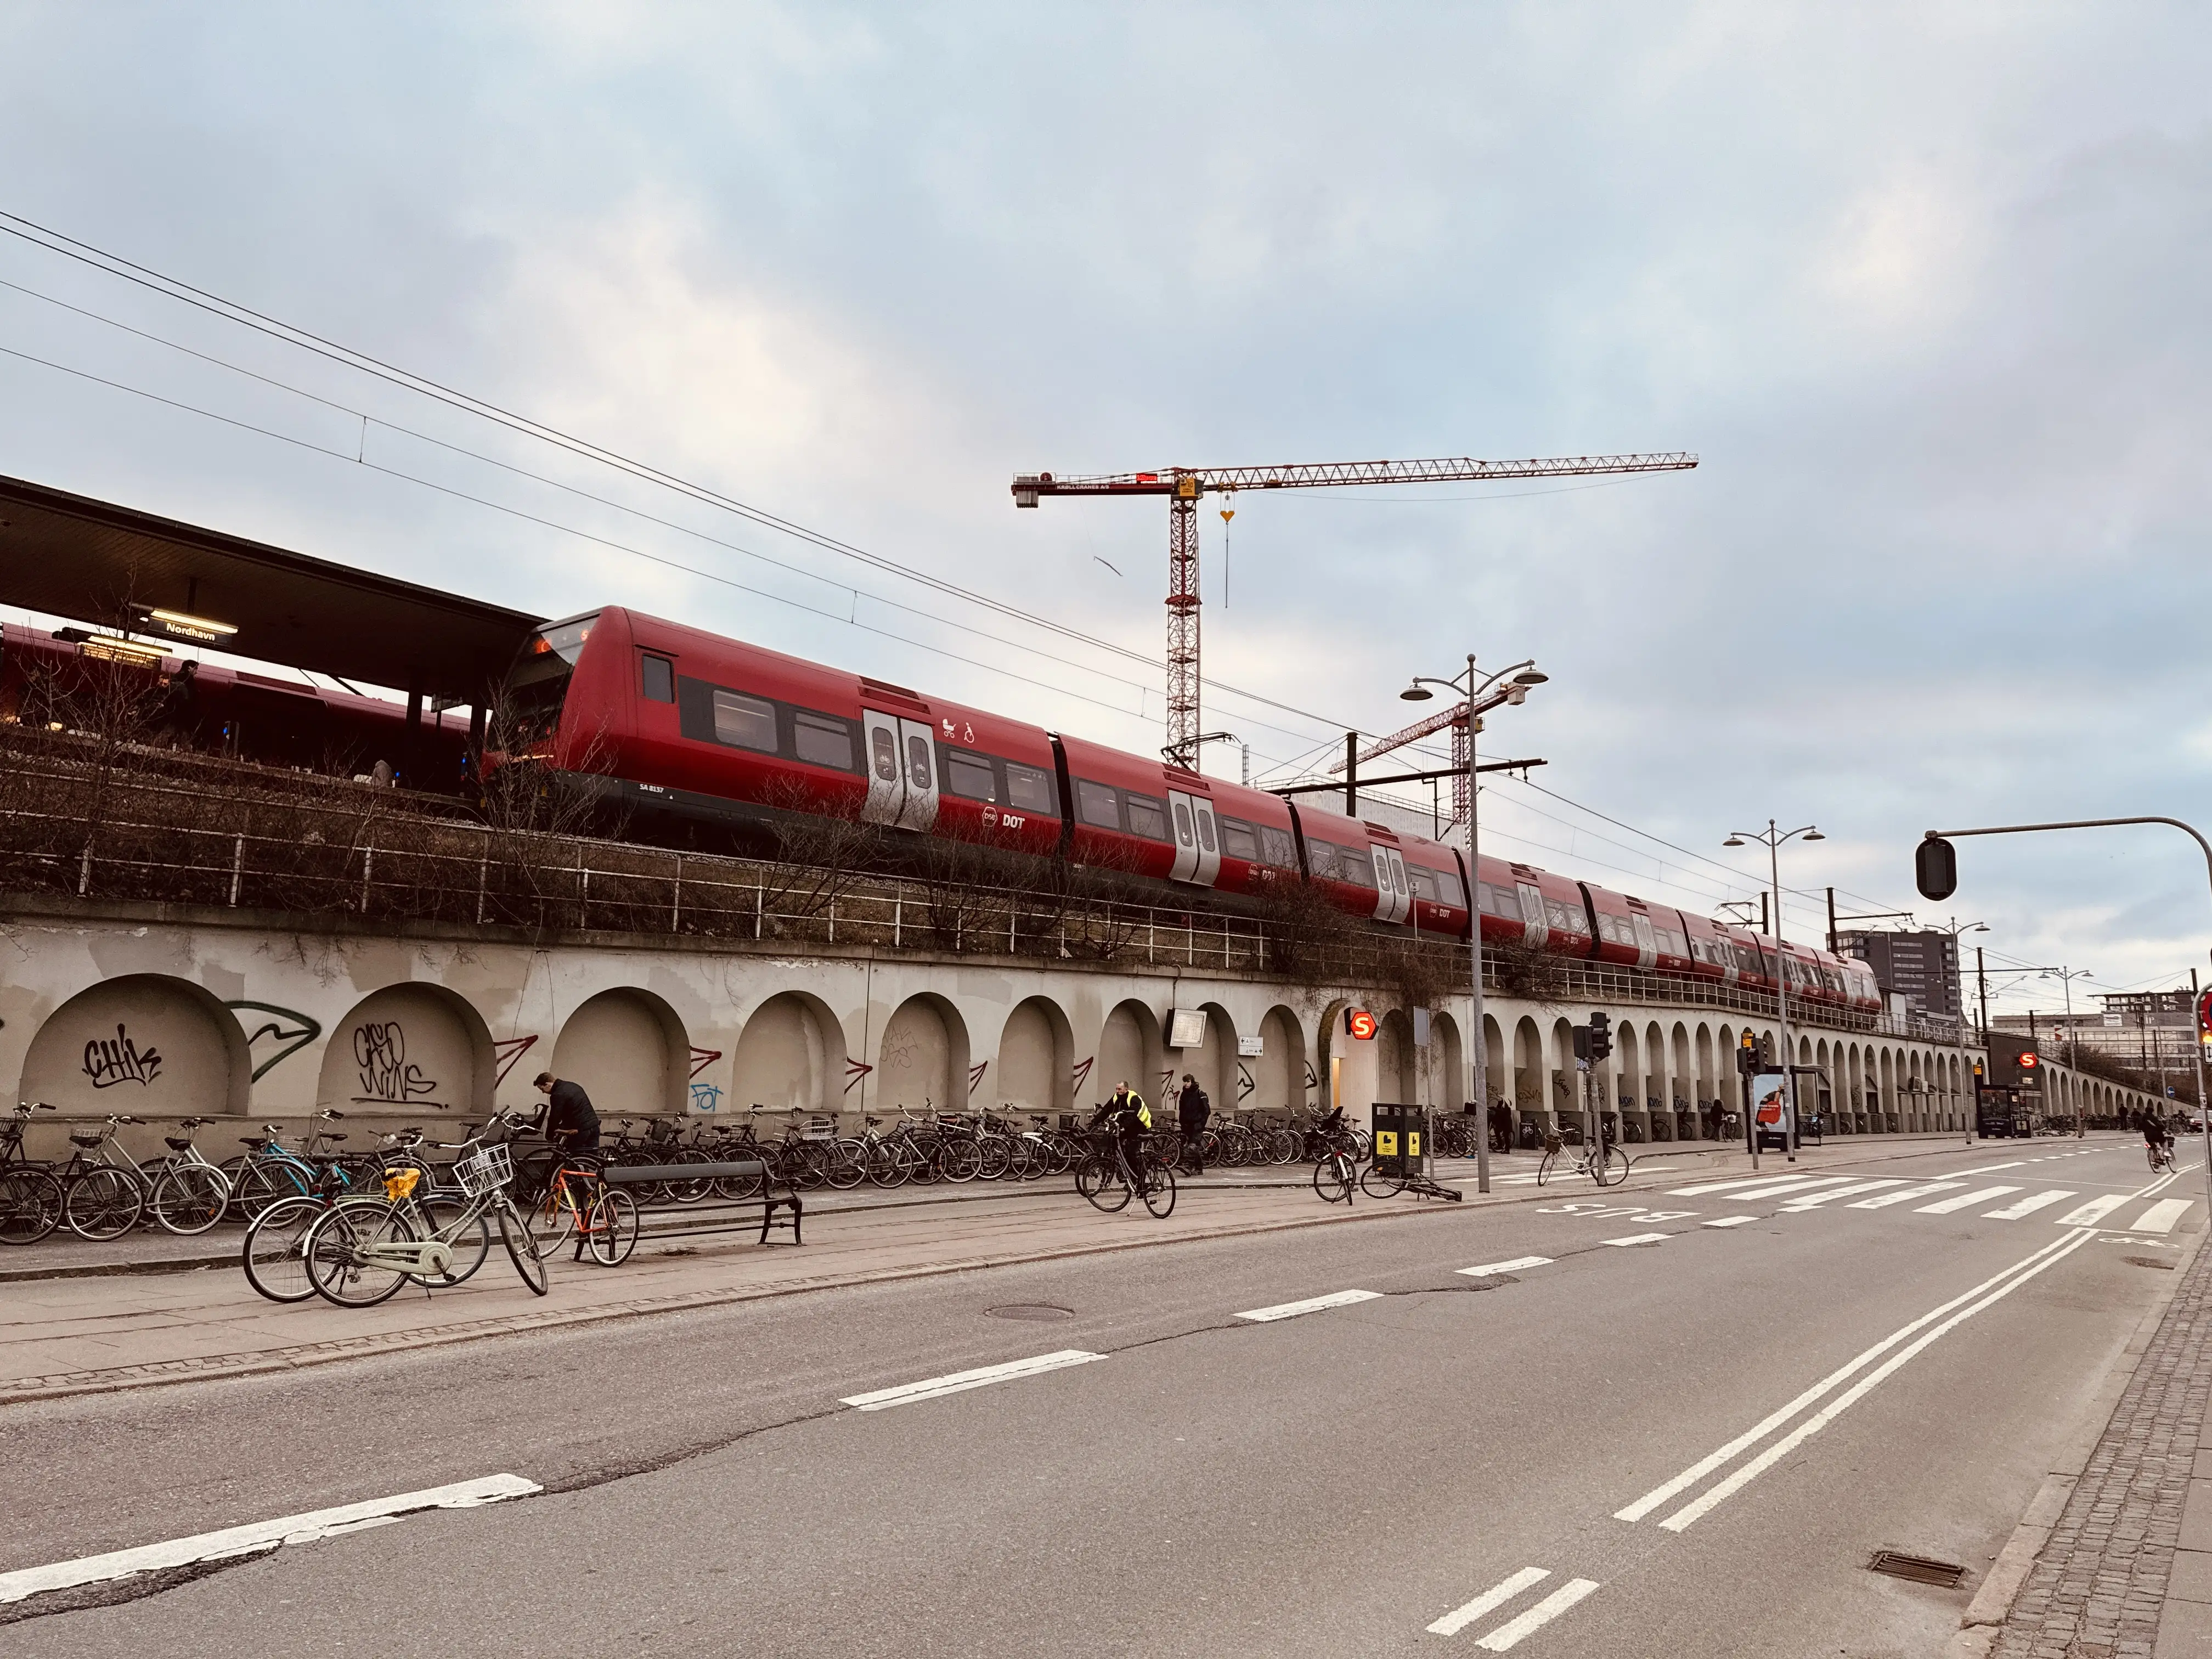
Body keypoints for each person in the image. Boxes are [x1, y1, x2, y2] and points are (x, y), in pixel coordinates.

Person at [534, 1070, 601, 1156]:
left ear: (547, 1084)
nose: (543, 1092)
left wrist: (549, 1136)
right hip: (594, 1125)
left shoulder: (558, 1094)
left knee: (573, 1156)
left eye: (542, 1089)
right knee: (593, 1157)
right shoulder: (573, 1086)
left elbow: (554, 1117)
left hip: (581, 1130)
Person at [1105, 1079, 1149, 1183]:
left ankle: (1137, 1179)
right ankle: (1124, 1171)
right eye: (1116, 1089)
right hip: (1124, 1128)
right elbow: (1107, 1109)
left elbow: (1132, 1115)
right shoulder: (1117, 1097)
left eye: (1120, 1089)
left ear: (1126, 1089)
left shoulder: (1134, 1098)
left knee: (1130, 1152)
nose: (1117, 1091)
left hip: (1138, 1128)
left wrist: (1124, 1126)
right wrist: (1095, 1121)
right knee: (1115, 1146)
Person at [1176, 1073, 1210, 1175]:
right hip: (1187, 1125)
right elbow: (1181, 1110)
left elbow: (1207, 1111)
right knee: (1191, 1147)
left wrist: (1201, 1124)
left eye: (1188, 1082)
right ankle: (1199, 1168)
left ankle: (1188, 1167)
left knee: (1192, 1146)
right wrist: (1182, 1123)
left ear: (1192, 1082)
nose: (1186, 1084)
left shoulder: (1200, 1093)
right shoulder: (1184, 1094)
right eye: (1185, 1082)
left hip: (1197, 1124)